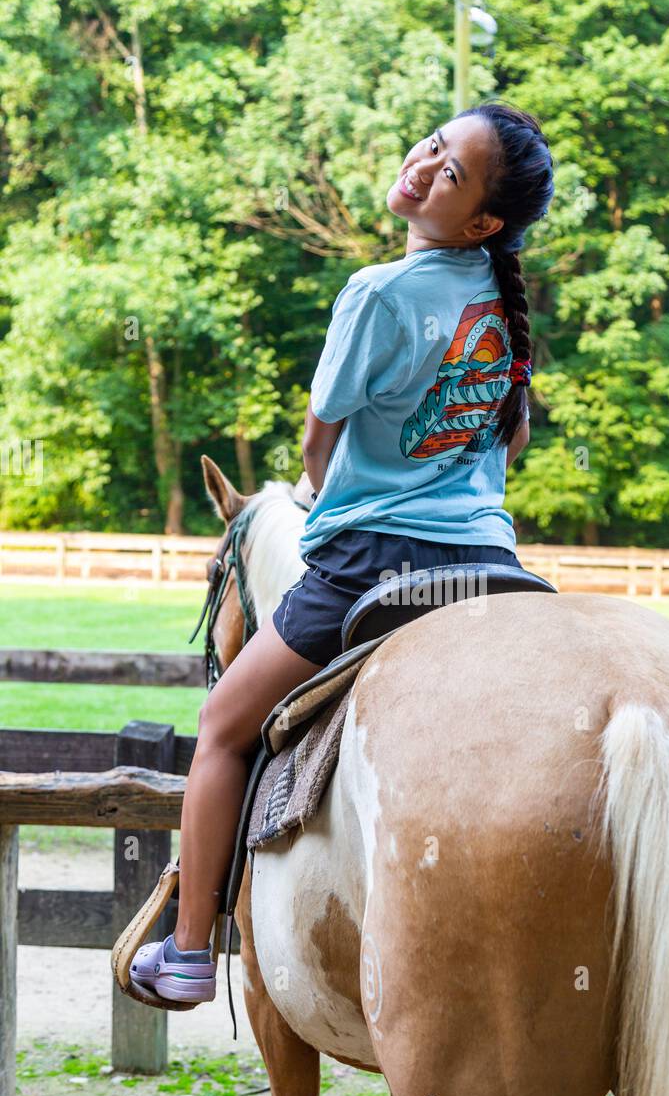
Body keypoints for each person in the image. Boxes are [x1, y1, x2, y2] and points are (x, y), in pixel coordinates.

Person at [130, 101, 555, 1005]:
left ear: (480, 219)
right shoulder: (501, 306)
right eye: (434, 143)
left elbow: (318, 451)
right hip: (493, 564)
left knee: (220, 727)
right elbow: (507, 449)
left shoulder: (377, 294)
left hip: (373, 563)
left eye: (450, 171)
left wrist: (328, 499)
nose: (424, 162)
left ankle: (192, 951)